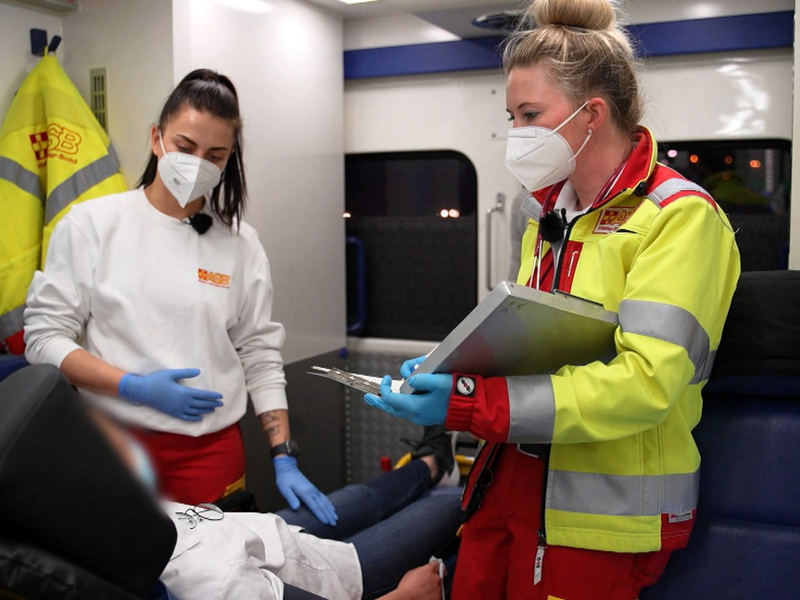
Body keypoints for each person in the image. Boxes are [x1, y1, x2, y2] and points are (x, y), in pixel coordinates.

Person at [363, 0, 741, 598]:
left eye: (530, 114)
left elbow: (645, 383)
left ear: (592, 115)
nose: (516, 132)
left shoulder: (679, 218)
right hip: (511, 481)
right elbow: (532, 341)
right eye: (512, 115)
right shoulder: (549, 217)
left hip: (600, 514)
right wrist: (452, 369)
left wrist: (467, 404)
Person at [22, 69, 335, 525]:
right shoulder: (92, 225)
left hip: (211, 451)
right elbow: (44, 340)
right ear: (156, 139)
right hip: (113, 443)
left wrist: (283, 454)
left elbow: (260, 355)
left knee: (212, 583)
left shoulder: (240, 244)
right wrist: (132, 386)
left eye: (215, 154)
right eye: (185, 147)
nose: (197, 163)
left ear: (229, 160)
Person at [94, 409, 461, 600]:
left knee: (361, 498)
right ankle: (448, 483)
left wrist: (283, 457)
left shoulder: (115, 518)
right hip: (317, 573)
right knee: (449, 507)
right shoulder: (215, 584)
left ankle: (433, 464)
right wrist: (404, 597)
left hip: (258, 532)